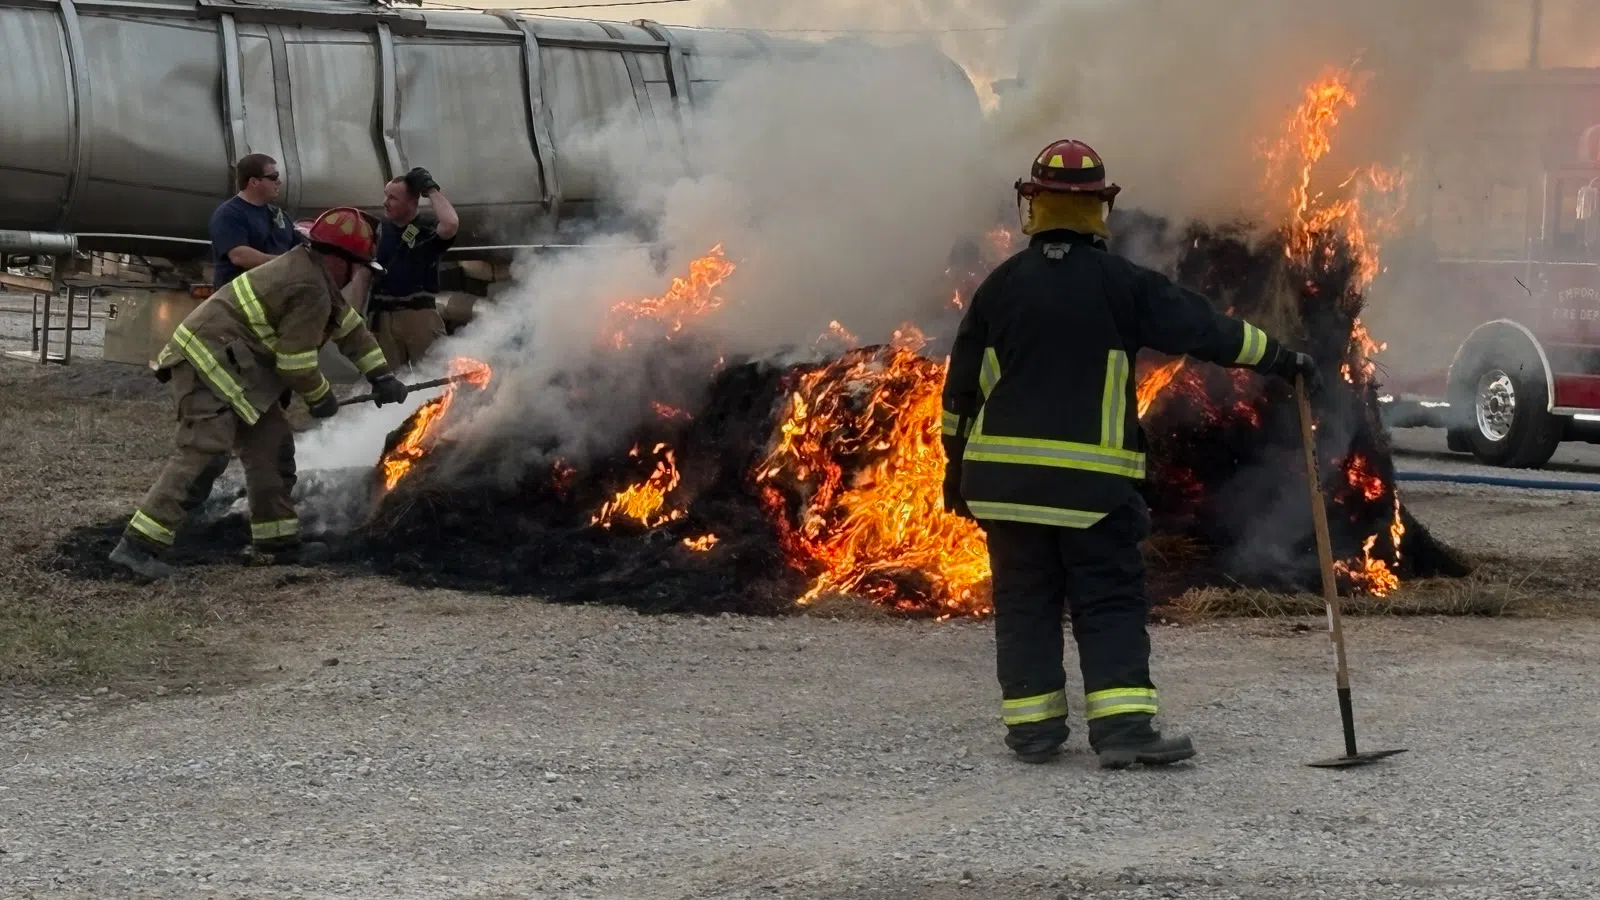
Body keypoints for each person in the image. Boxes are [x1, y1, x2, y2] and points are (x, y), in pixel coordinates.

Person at [940, 139, 1321, 769]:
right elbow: (1207, 330)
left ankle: (1033, 733)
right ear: (1101, 208)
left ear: (1032, 204)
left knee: (1024, 602)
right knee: (1107, 599)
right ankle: (1121, 731)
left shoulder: (998, 289)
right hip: (1091, 490)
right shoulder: (1122, 286)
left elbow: (961, 395)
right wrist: (1281, 359)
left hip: (1005, 487)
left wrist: (957, 471)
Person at [109, 208, 410, 580]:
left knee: (273, 450)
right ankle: (137, 549)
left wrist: (381, 376)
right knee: (206, 454)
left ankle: (276, 544)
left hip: (242, 375)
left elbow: (351, 329)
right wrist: (322, 399)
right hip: (208, 366)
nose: (358, 273)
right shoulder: (308, 287)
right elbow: (295, 364)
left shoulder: (316, 277)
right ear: (338, 260)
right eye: (357, 266)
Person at [369, 166, 460, 371]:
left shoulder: (426, 229)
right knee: (389, 381)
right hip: (382, 317)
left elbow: (451, 224)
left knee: (434, 378)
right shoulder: (379, 229)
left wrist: (431, 190)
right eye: (386, 195)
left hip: (419, 315)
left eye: (393, 198)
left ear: (412, 201)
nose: (385, 202)